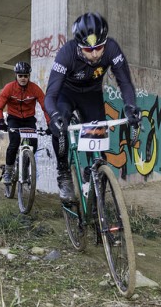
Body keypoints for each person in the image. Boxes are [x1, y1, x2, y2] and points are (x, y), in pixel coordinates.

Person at [44, 12, 141, 203]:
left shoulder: (112, 48)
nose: (95, 54)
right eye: (89, 50)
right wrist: (54, 115)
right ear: (79, 47)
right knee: (60, 128)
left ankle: (96, 184)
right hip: (67, 93)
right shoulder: (67, 53)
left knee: (98, 141)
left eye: (99, 48)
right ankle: (63, 173)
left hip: (92, 94)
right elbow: (50, 95)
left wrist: (130, 106)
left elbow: (125, 83)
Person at [0, 61, 51, 184]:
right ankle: (8, 171)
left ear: (29, 76)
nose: (23, 78)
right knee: (14, 144)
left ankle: (24, 166)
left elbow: (45, 107)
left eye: (26, 76)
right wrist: (0, 121)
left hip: (29, 119)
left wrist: (50, 123)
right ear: (16, 75)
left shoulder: (35, 89)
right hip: (13, 119)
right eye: (20, 76)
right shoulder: (9, 88)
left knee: (34, 144)